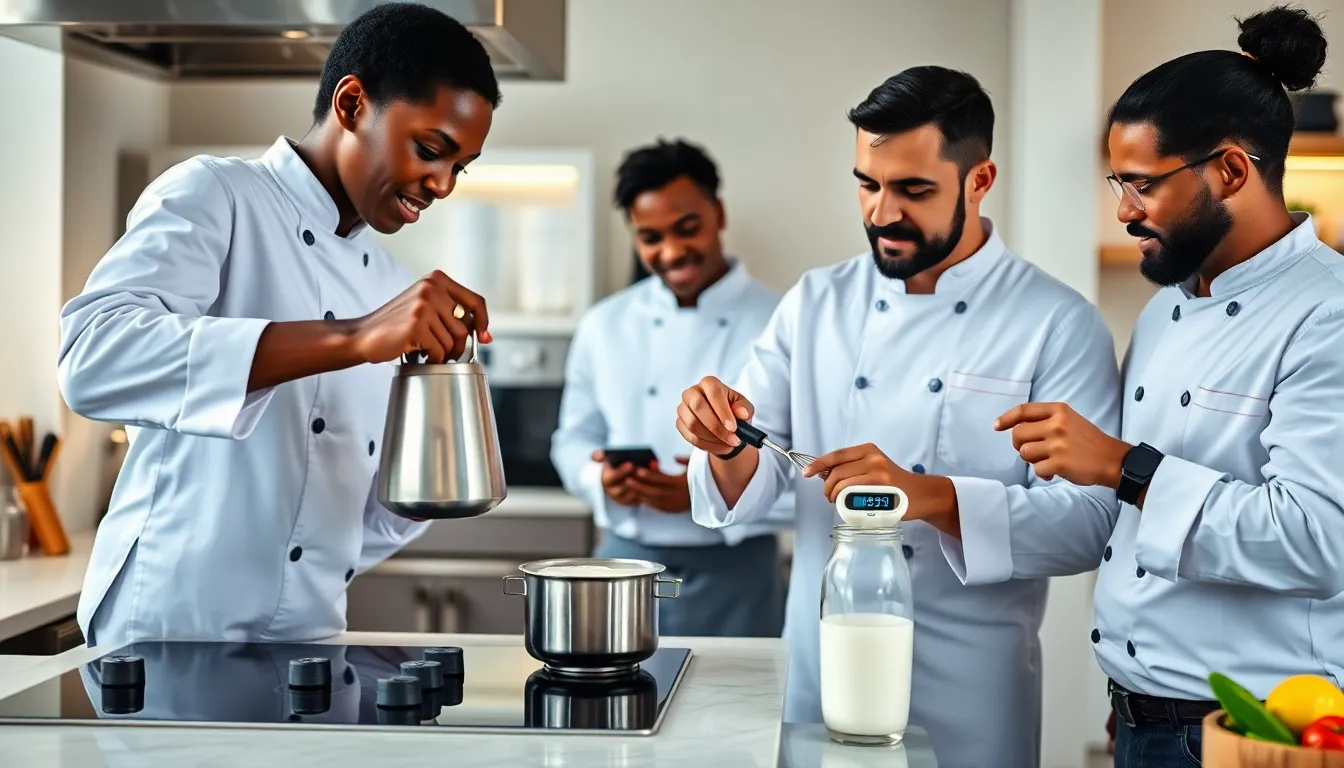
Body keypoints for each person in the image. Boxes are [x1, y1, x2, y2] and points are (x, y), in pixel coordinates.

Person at [678, 66, 1122, 768]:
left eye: (913, 189)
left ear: (979, 180)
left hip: (972, 693)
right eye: (868, 183)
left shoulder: (1058, 323)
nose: (882, 212)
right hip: (824, 676)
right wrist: (721, 439)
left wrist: (930, 496)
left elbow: (1089, 523)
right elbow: (752, 472)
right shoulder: (815, 303)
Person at [57, 3, 502, 646]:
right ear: (351, 104)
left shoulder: (391, 282)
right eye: (431, 150)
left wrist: (432, 454)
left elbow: (366, 515)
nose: (442, 184)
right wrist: (352, 339)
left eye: (460, 167)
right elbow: (92, 358)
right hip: (167, 631)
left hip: (310, 643)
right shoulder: (218, 194)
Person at [986, 7, 1344, 767]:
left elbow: (1318, 539)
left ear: (1231, 170)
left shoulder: (1329, 313)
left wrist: (1123, 466)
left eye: (1143, 184)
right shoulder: (1163, 311)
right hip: (1144, 721)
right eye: (1118, 182)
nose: (1124, 210)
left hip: (1255, 737)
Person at [551, 138, 788, 637]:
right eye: (651, 237)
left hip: (739, 575)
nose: (672, 252)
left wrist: (705, 495)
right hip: (622, 569)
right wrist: (602, 482)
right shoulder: (605, 324)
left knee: (738, 712)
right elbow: (571, 439)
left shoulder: (782, 321)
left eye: (687, 229)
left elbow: (807, 463)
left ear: (718, 213)